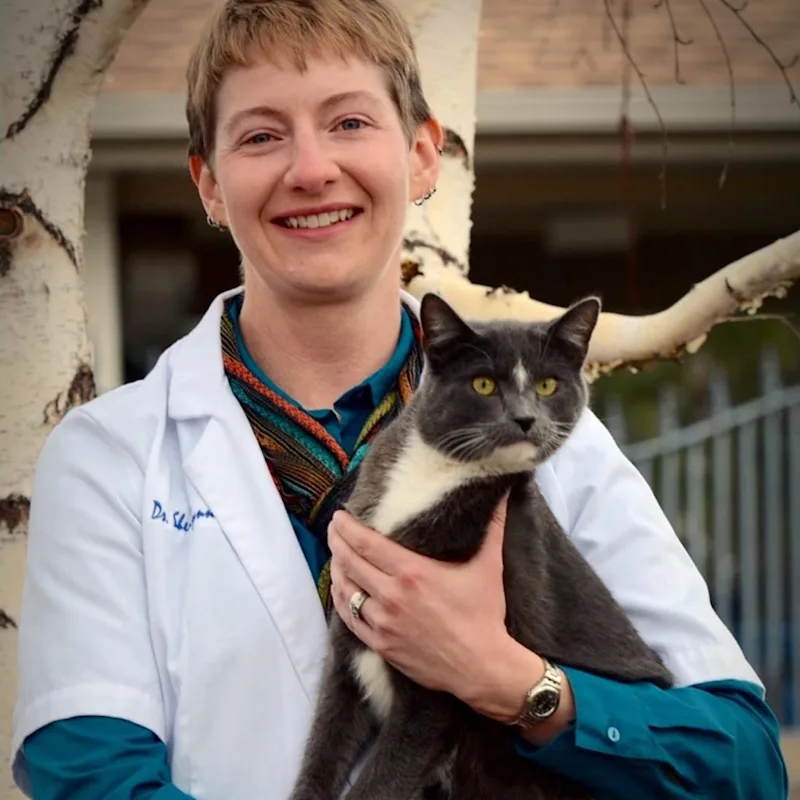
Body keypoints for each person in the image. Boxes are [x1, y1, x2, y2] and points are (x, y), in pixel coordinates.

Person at [11, 1, 789, 798]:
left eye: (349, 122)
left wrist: (518, 683)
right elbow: (91, 776)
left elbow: (743, 767)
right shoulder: (112, 455)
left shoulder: (551, 439)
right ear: (209, 183)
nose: (310, 169)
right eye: (261, 135)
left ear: (423, 157)